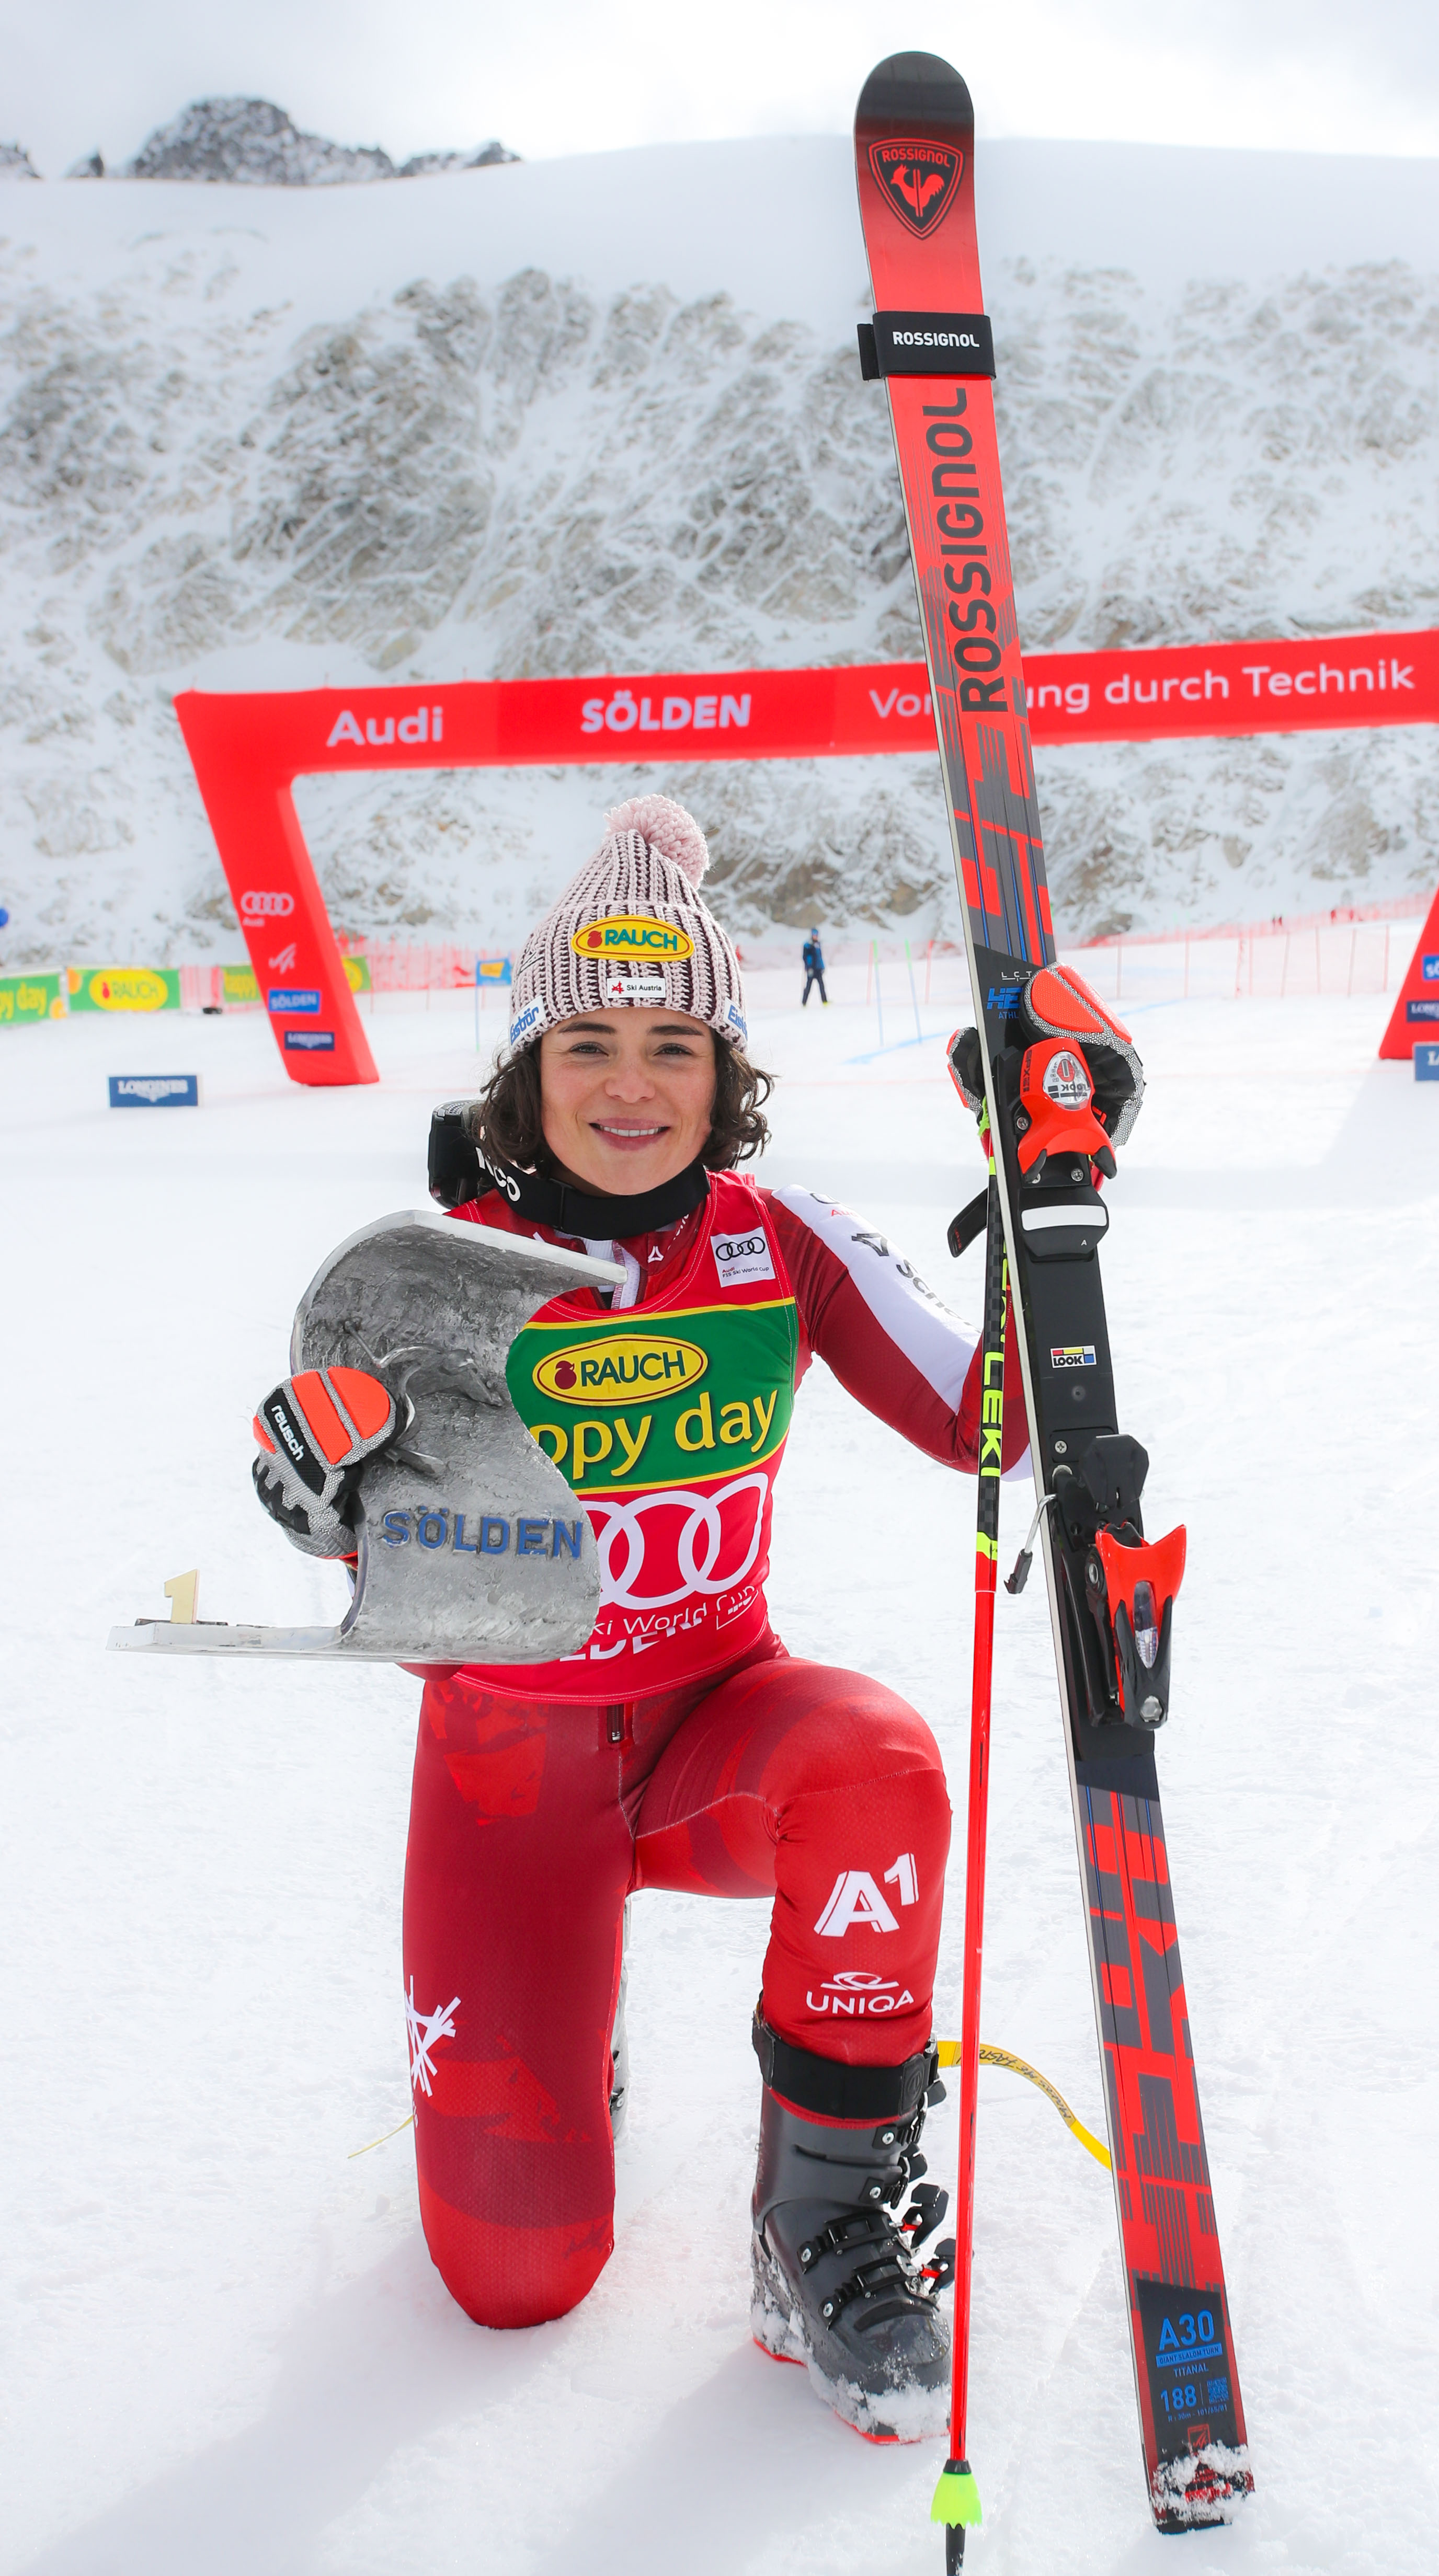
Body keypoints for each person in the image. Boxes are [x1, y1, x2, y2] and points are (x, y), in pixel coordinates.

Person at [252, 796, 1024, 2444]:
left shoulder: (777, 1241)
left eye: (675, 1043)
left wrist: (1055, 1194)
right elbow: (375, 1535)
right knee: (513, 2279)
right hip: (506, 1778)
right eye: (586, 1040)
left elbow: (997, 1424)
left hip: (716, 1729)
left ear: (722, 1073)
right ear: (527, 1068)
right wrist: (320, 1498)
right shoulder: (441, 1270)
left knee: (877, 1764)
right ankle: (561, 2029)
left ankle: (820, 2210)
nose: (629, 1083)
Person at [801, 927, 827, 1006]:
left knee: (822, 986)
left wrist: (823, 967)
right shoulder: (808, 945)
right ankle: (804, 1002)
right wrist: (809, 968)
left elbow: (820, 957)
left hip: (818, 969)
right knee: (809, 986)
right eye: (814, 934)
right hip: (812, 969)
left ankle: (825, 1001)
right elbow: (806, 958)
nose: (815, 936)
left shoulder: (818, 944)